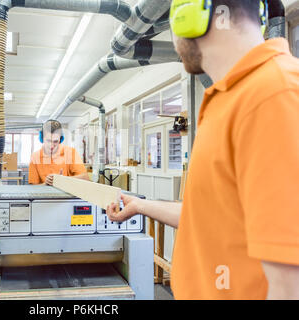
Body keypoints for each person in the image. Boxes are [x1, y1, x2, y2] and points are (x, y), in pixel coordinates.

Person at [107, 0, 299, 299]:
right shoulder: (229, 98)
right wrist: (140, 206)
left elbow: (290, 284)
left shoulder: (274, 94)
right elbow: (214, 216)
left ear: (192, 15)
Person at [28, 120, 89, 185]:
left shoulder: (71, 153)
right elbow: (33, 187)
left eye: (55, 141)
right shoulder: (35, 157)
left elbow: (85, 178)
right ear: (41, 138)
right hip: (44, 194)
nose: (51, 146)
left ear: (61, 139)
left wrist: (64, 180)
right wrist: (45, 184)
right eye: (48, 141)